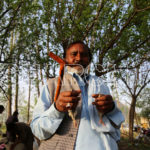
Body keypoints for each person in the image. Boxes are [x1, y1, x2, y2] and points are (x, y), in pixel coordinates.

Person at [30, 41, 124, 150]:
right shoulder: (51, 85)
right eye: (74, 54)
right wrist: (57, 109)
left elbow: (117, 124)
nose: (79, 58)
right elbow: (37, 130)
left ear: (89, 60)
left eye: (84, 55)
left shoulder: (100, 83)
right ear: (65, 59)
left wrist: (111, 108)